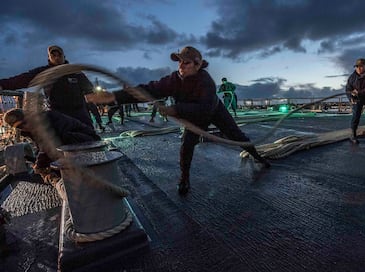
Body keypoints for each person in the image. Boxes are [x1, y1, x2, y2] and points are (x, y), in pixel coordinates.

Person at [86, 46, 270, 195]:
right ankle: (184, 179)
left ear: (198, 65)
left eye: (186, 62)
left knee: (236, 135)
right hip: (192, 117)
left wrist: (175, 109)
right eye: (179, 61)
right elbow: (147, 90)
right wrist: (114, 97)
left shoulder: (206, 82)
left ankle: (258, 157)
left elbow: (204, 108)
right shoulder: (174, 79)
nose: (181, 65)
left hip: (213, 110)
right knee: (187, 146)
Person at [0, 45, 95, 129]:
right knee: (64, 144)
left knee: (89, 139)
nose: (57, 58)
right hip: (59, 115)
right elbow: (22, 79)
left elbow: (90, 93)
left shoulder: (76, 72)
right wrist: (3, 84)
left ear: (64, 57)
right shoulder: (44, 73)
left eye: (59, 55)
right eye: (53, 56)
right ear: (49, 58)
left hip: (80, 114)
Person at [2, 108, 101, 177]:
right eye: (20, 127)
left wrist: (40, 164)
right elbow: (43, 148)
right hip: (71, 146)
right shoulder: (32, 130)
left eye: (25, 122)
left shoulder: (48, 117)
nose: (25, 127)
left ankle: (72, 171)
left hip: (88, 142)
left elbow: (51, 142)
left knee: (63, 139)